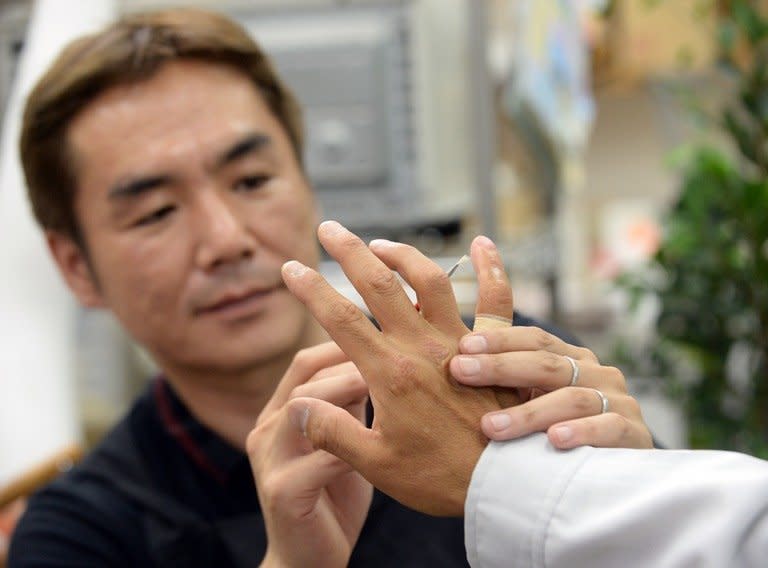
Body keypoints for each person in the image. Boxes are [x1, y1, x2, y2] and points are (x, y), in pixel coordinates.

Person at [9, 8, 650, 567]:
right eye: (154, 214)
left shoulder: (508, 374)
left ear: (308, 182)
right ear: (76, 268)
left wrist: (647, 493)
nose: (226, 239)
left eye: (252, 180)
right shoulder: (77, 534)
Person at [278, 225, 768, 567]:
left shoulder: (515, 358)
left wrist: (621, 481)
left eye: (252, 180)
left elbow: (726, 538)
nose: (226, 240)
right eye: (193, 208)